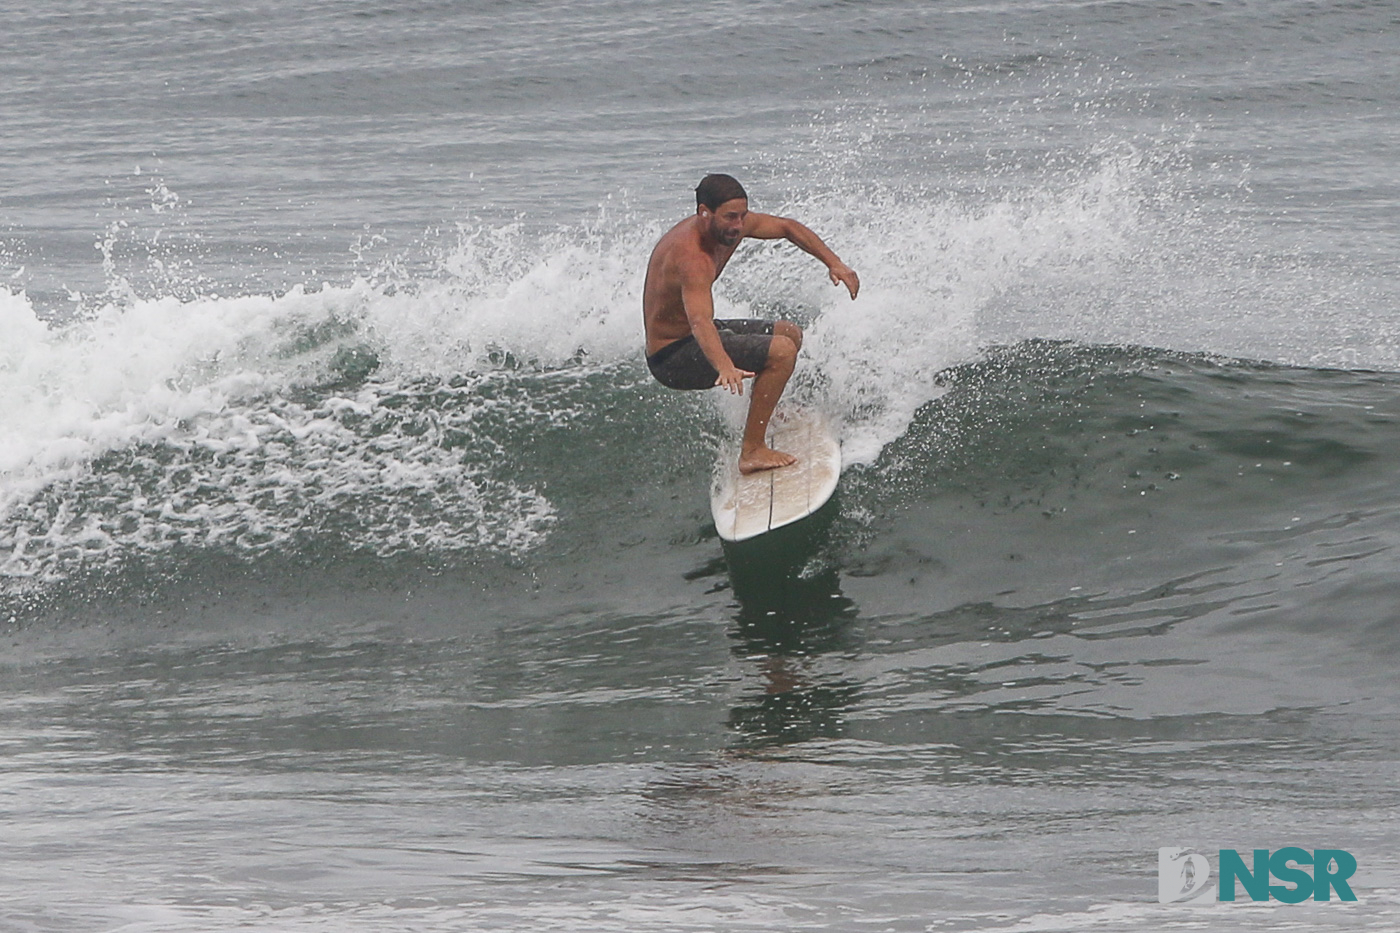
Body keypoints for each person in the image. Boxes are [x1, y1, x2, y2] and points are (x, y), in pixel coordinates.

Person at [642, 174, 859, 474]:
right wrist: (724, 366)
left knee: (789, 333)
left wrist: (834, 262)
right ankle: (752, 451)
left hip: (694, 335)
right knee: (781, 352)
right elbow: (700, 320)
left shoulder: (729, 228)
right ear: (704, 213)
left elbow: (786, 227)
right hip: (672, 356)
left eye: (743, 216)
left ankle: (762, 415)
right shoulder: (692, 257)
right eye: (731, 217)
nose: (739, 225)